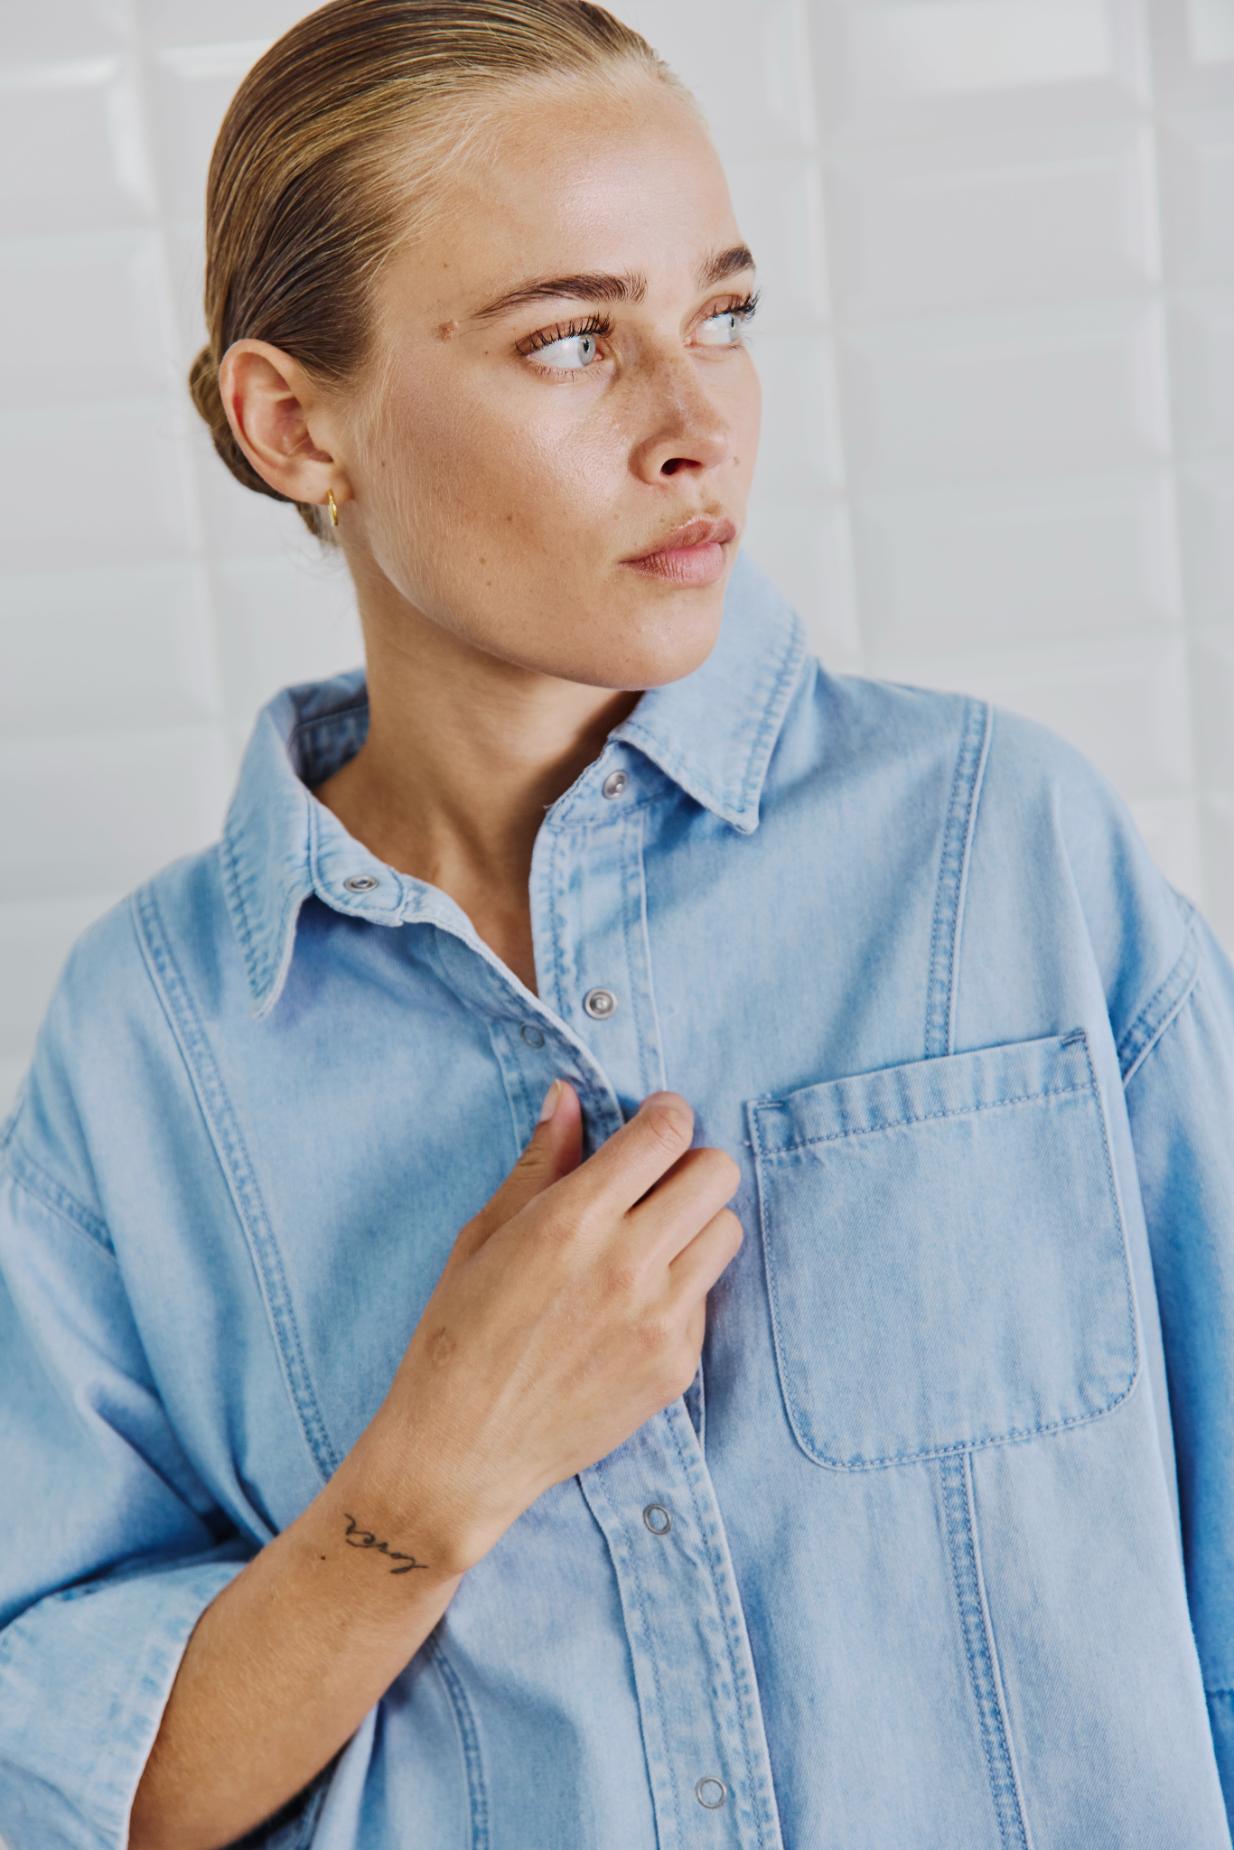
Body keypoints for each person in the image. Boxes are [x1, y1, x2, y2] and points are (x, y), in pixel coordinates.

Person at [2, 2, 1233, 1845]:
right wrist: (428, 1478)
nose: (696, 424)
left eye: (719, 316)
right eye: (572, 339)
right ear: (293, 423)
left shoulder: (1007, 853)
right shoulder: (149, 1045)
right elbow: (59, 1780)